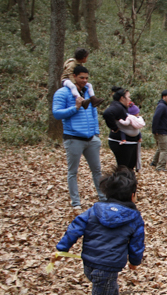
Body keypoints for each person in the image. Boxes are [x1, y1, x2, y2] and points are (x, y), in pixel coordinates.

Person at [30, 166, 145, 295]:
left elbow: (75, 228)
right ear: (132, 196)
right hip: (106, 268)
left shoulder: (94, 210)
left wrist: (62, 249)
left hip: (89, 265)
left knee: (111, 290)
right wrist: (134, 262)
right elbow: (137, 244)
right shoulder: (134, 217)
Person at [52, 65, 106, 212]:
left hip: (91, 139)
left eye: (87, 78)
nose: (84, 80)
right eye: (81, 77)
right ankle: (76, 202)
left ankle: (103, 198)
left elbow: (93, 113)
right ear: (74, 77)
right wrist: (75, 108)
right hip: (73, 138)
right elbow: (56, 114)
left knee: (97, 170)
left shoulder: (88, 92)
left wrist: (96, 133)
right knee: (73, 172)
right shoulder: (62, 93)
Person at [103, 87, 141, 171]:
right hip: (121, 143)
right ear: (122, 98)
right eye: (128, 97)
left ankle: (128, 182)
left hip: (129, 143)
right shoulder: (117, 106)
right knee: (123, 168)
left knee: (129, 167)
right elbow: (107, 113)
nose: (130, 99)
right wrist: (115, 128)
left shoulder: (121, 107)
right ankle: (122, 183)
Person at [151, 89, 167, 172]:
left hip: (162, 130)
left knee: (160, 148)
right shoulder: (162, 106)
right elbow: (156, 117)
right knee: (165, 150)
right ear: (164, 97)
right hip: (161, 131)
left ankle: (154, 162)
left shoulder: (164, 105)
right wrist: (155, 130)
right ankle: (160, 167)